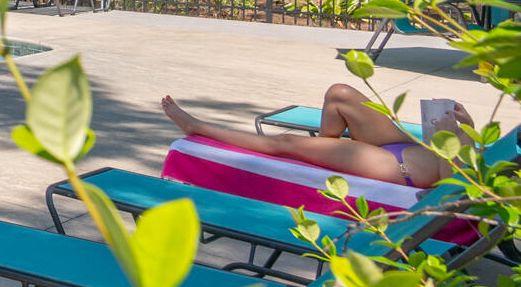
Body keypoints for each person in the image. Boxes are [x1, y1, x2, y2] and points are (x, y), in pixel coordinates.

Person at [159, 86, 463, 189]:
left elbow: (455, 190)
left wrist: (454, 139)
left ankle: (195, 127)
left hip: (400, 169)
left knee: (285, 143)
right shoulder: (510, 146)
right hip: (412, 147)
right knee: (339, 94)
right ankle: (318, 157)